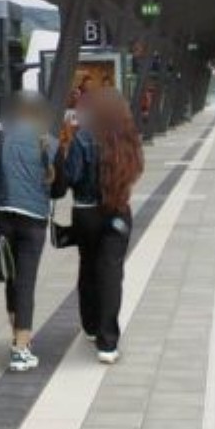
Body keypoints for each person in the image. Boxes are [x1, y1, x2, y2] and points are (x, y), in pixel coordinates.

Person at [56, 87, 143, 364]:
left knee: (88, 267)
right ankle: (108, 344)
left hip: (86, 214)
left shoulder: (83, 138)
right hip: (118, 213)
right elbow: (136, 172)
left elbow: (70, 177)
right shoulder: (129, 139)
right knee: (111, 274)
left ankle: (91, 326)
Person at [0, 91, 55, 373]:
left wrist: (4, 185)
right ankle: (21, 351)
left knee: (11, 278)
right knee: (26, 282)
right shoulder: (50, 143)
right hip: (34, 221)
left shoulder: (3, 139)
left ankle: (18, 338)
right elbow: (59, 187)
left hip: (4, 217)